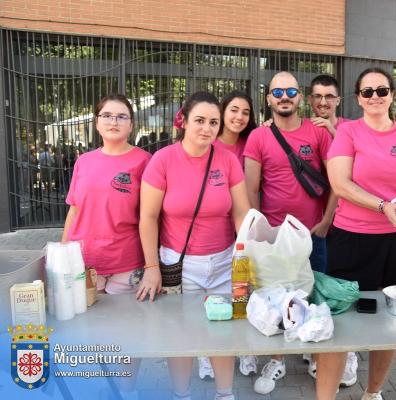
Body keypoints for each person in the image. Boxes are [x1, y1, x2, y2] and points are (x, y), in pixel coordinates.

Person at [317, 67, 396, 400]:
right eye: (367, 92)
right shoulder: (349, 132)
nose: (375, 97)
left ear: (392, 95)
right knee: (340, 323)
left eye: (381, 90)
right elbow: (340, 184)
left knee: (393, 320)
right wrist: (383, 206)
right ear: (358, 99)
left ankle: (373, 393)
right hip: (353, 239)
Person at [138, 91, 250, 400]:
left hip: (225, 263)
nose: (207, 128)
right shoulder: (163, 159)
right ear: (183, 121)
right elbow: (148, 218)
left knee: (224, 332)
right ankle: (182, 394)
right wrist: (151, 267)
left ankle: (225, 394)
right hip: (179, 265)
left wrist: (247, 258)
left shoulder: (227, 160)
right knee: (180, 335)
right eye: (199, 120)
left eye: (214, 122)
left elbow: (241, 212)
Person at [244, 71, 336, 395]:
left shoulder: (318, 132)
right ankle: (277, 359)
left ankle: (314, 353)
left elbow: (337, 180)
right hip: (275, 238)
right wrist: (260, 230)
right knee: (275, 297)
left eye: (291, 91)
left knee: (313, 294)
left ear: (300, 97)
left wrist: (326, 221)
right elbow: (252, 189)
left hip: (313, 234)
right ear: (268, 98)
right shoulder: (258, 137)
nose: (284, 96)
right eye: (277, 91)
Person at [62, 94, 152, 400]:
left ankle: (127, 390)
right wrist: (62, 254)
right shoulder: (84, 162)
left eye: (121, 116)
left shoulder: (144, 162)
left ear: (131, 123)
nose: (113, 121)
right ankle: (103, 386)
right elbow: (74, 209)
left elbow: (150, 216)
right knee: (90, 333)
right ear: (97, 121)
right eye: (107, 115)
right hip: (84, 262)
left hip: (126, 262)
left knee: (128, 333)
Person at [196, 90, 258, 380]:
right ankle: (207, 354)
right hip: (214, 237)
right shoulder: (207, 142)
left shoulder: (253, 142)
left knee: (243, 296)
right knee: (214, 300)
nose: (239, 117)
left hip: (244, 232)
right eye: (234, 110)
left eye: (245, 112)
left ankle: (244, 350)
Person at [303, 73, 358, 386]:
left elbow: (356, 169)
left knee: (343, 289)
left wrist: (335, 132)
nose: (323, 102)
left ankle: (347, 354)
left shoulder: (350, 128)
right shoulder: (305, 127)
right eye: (317, 96)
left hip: (348, 224)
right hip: (317, 223)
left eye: (329, 96)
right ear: (310, 99)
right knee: (318, 285)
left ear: (338, 99)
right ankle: (318, 350)